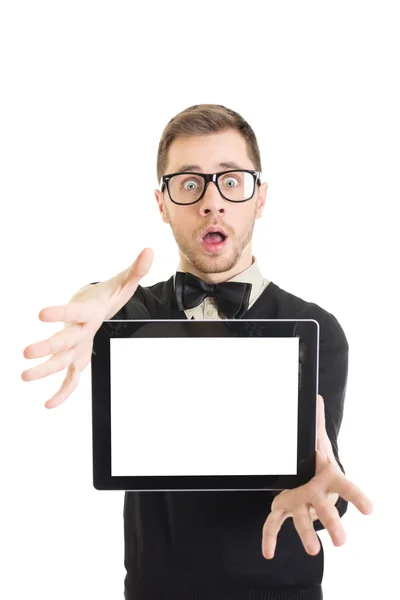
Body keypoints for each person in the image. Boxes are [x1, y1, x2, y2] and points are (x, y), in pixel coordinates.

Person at [22, 104, 373, 600]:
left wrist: (323, 499)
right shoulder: (132, 316)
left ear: (260, 198)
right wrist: (89, 300)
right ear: (162, 203)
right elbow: (95, 305)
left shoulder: (319, 330)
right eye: (190, 184)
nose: (213, 202)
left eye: (232, 181)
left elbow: (323, 476)